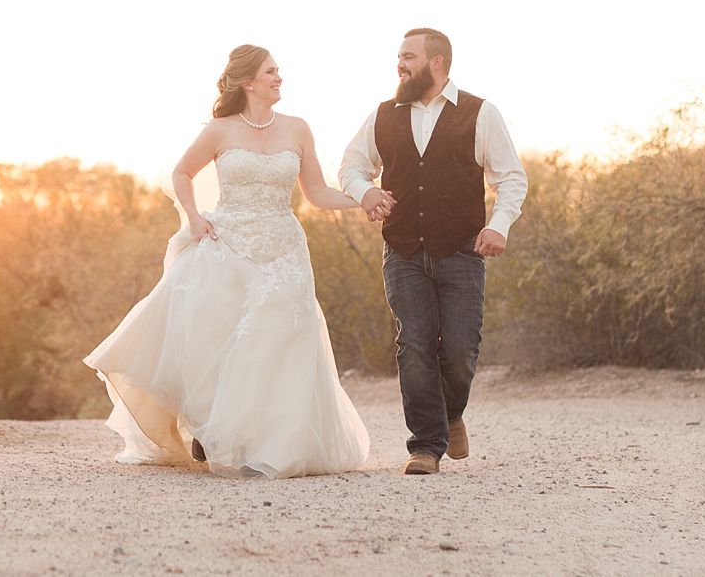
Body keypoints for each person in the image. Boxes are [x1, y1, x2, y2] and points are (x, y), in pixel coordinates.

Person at [83, 44, 370, 478]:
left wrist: (365, 199)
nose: (279, 78)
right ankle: (214, 429)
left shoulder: (298, 129)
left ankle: (274, 447)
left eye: (278, 71)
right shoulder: (220, 130)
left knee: (280, 339)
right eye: (271, 71)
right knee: (219, 338)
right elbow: (181, 173)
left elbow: (317, 193)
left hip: (284, 250)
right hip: (227, 241)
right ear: (247, 81)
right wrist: (194, 217)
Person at [339, 28, 527, 475]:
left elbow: (511, 177)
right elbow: (351, 165)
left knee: (460, 348)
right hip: (402, 250)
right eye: (399, 56)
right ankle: (425, 445)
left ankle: (450, 413)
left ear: (436, 62)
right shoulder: (382, 115)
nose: (399, 64)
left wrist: (498, 225)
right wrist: (364, 191)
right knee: (414, 343)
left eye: (408, 56)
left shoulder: (480, 113)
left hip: (461, 250)